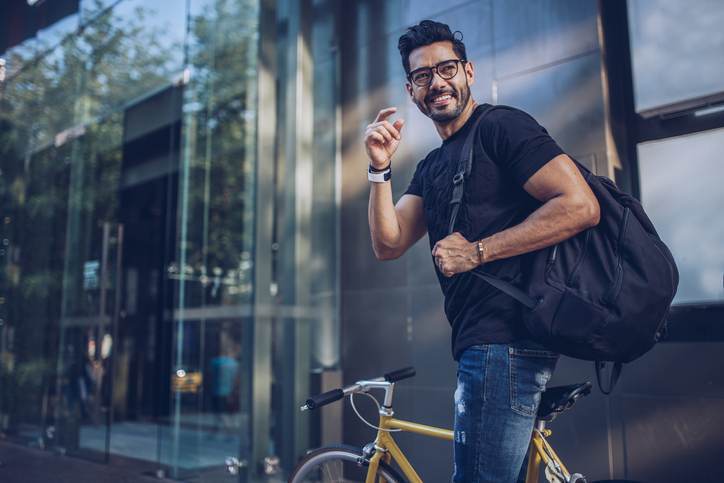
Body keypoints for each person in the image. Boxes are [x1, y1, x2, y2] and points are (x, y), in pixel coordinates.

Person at [363, 20, 600, 482]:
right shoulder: (433, 166)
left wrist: (477, 252)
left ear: (468, 71)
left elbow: (579, 205)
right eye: (422, 76)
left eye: (446, 67)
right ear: (411, 92)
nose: (437, 82)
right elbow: (388, 244)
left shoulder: (502, 128)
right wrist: (378, 170)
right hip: (481, 345)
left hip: (504, 343)